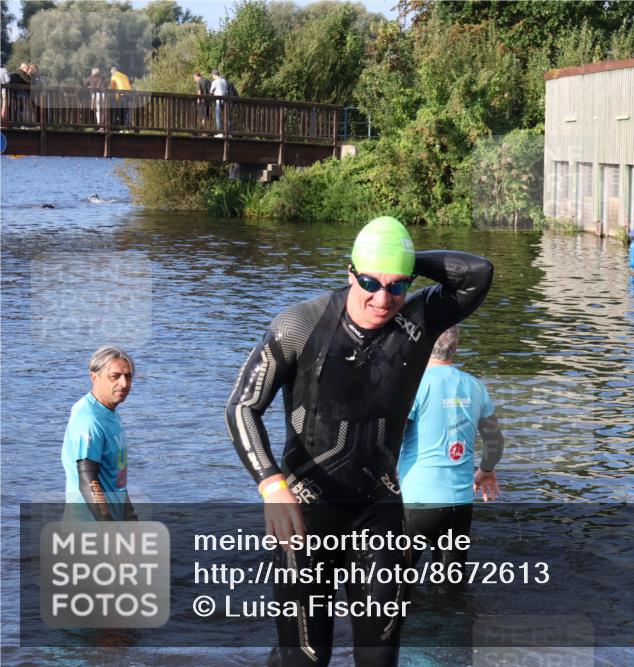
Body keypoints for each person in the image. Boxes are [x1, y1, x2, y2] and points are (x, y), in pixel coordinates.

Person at [226, 216, 493, 667]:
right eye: (370, 281)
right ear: (350, 272)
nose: (382, 298)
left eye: (396, 286)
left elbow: (478, 273)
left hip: (379, 510)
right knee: (307, 658)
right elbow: (241, 407)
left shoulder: (419, 319)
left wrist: (404, 261)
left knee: (378, 657)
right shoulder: (300, 326)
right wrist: (271, 484)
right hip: (306, 510)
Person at [398, 326, 504, 568]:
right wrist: (485, 470)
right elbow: (495, 443)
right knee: (451, 587)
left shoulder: (413, 384)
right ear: (455, 347)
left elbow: (389, 439)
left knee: (394, 582)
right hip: (460, 503)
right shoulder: (475, 386)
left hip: (417, 501)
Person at [61, 346, 137, 522]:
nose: (124, 383)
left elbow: (115, 479)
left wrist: (131, 519)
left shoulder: (108, 412)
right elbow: (88, 480)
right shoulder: (89, 420)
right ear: (94, 377)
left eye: (128, 376)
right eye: (115, 376)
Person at [209, 69, 228, 134]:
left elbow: (211, 91)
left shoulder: (215, 82)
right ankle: (226, 131)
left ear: (214, 75)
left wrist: (214, 92)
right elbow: (225, 89)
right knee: (225, 115)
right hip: (225, 100)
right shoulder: (224, 81)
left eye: (212, 75)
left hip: (218, 101)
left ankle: (220, 131)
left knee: (218, 116)